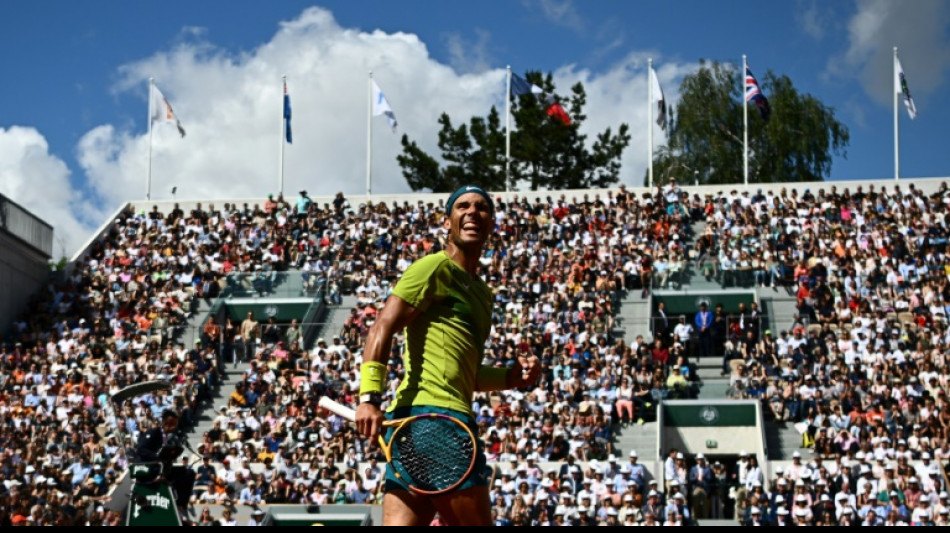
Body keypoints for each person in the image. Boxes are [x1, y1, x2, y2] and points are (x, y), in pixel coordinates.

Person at [355, 185, 541, 526]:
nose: (473, 212)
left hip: (414, 430)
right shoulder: (433, 267)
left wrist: (509, 378)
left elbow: (463, 372)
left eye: (482, 208)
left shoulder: (483, 295)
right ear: (447, 222)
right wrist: (369, 398)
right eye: (463, 206)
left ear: (491, 224)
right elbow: (382, 325)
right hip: (439, 424)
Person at [136, 409, 197, 516]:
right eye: (173, 424)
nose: (175, 427)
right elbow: (141, 449)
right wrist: (157, 457)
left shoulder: (170, 437)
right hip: (149, 468)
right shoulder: (154, 432)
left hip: (162, 467)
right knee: (178, 474)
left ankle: (181, 504)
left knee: (189, 473)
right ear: (165, 423)